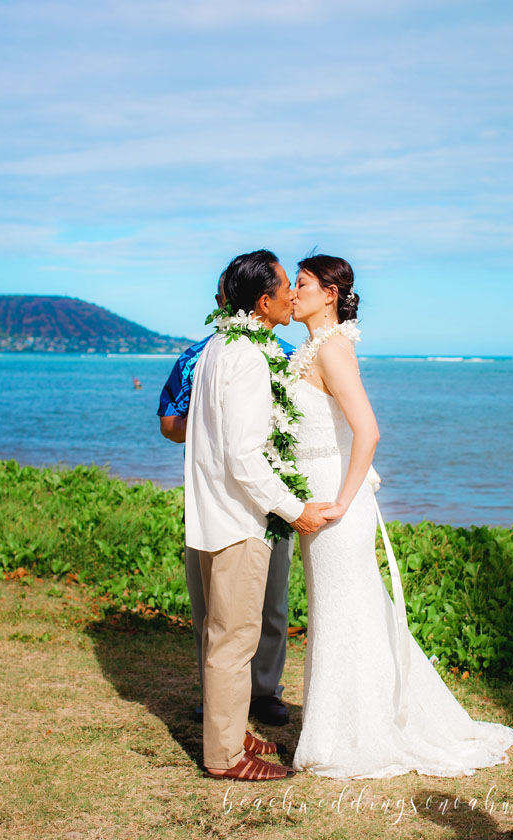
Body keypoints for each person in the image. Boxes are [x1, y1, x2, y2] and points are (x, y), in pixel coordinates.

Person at [288, 254, 513, 778]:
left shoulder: (335, 349)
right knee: (338, 612)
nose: (292, 292)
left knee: (350, 611)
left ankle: (360, 731)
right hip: (317, 496)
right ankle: (339, 722)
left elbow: (367, 431)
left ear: (328, 293)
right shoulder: (308, 350)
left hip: (335, 502)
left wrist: (345, 501)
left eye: (301, 284)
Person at [184, 249, 330, 781]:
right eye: (288, 286)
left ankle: (226, 730)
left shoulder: (221, 345)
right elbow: (244, 456)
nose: (295, 294)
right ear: (264, 300)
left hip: (209, 513)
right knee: (234, 638)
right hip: (236, 521)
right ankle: (224, 757)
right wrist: (294, 510)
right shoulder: (246, 357)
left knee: (221, 634)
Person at [158, 273, 295, 727]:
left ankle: (262, 691)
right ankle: (220, 699)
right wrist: (213, 422)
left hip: (271, 497)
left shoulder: (289, 357)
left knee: (271, 602)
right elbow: (170, 423)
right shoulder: (197, 356)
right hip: (218, 499)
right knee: (214, 610)